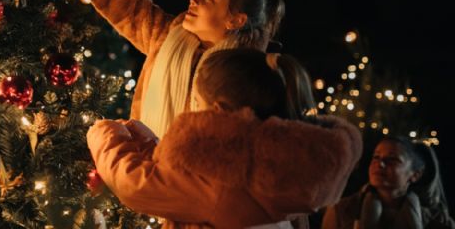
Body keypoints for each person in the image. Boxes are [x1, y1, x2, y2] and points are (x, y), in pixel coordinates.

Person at [43, 0, 285, 138]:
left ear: (235, 20)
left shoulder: (251, 80)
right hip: (149, 173)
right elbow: (125, 1)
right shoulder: (167, 37)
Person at [87, 49, 363, 229]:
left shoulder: (224, 176)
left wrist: (105, 132)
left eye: (197, 101)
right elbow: (180, 178)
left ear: (218, 110)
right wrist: (143, 137)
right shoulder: (277, 160)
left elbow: (135, 183)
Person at [322, 136, 455, 229]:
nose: (380, 164)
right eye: (376, 157)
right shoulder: (342, 211)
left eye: (393, 159)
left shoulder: (436, 221)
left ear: (415, 175)